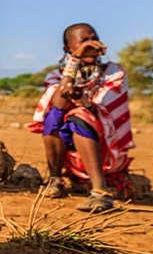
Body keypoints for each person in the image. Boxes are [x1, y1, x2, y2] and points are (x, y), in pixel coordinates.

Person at [27, 23, 135, 212]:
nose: (91, 44)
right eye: (84, 41)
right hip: (71, 149)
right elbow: (58, 104)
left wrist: (80, 98)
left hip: (105, 146)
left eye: (94, 38)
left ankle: (100, 192)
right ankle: (55, 179)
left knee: (80, 116)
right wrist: (74, 63)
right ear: (68, 49)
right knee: (53, 116)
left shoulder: (114, 73)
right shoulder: (58, 75)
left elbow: (99, 111)